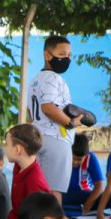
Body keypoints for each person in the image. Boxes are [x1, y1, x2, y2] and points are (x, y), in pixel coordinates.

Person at [29, 35, 81, 203]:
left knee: (40, 191)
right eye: (63, 53)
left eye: (69, 55)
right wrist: (72, 123)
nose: (67, 58)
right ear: (47, 55)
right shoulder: (53, 78)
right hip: (56, 139)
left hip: (39, 137)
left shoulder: (36, 79)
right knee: (54, 193)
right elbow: (48, 107)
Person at [61, 133, 104, 217]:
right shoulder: (62, 154)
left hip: (84, 195)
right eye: (73, 158)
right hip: (65, 194)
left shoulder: (91, 157)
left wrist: (86, 208)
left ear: (86, 155)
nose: (75, 162)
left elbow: (100, 186)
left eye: (79, 159)